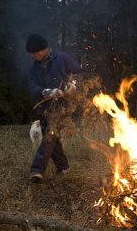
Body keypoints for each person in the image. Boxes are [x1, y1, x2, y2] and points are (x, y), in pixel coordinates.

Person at [26, 33, 82, 183]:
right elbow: (32, 88)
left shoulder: (63, 58)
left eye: (33, 53)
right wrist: (47, 92)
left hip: (62, 107)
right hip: (44, 108)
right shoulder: (33, 69)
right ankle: (63, 167)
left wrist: (73, 85)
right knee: (52, 139)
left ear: (42, 50)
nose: (31, 56)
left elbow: (79, 74)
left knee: (49, 137)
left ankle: (37, 170)